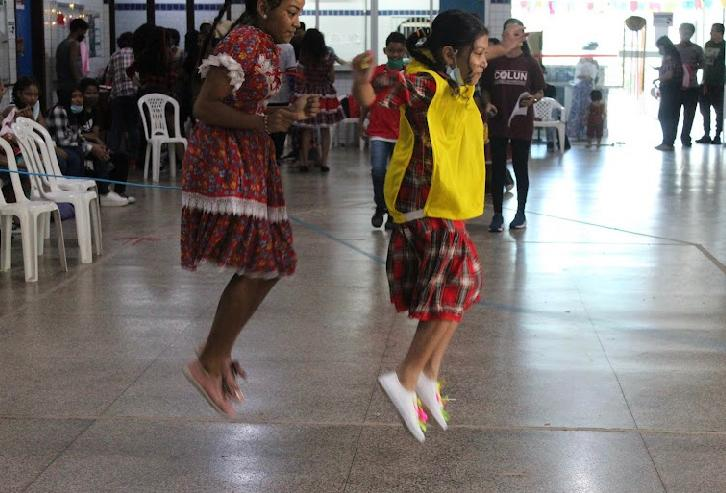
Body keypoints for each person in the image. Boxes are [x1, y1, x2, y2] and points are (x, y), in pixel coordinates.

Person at [352, 10, 489, 443]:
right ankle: (405, 377)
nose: (483, 61)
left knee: (463, 287)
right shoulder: (425, 81)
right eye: (479, 53)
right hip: (423, 200)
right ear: (451, 52)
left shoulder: (452, 80)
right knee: (456, 285)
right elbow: (378, 95)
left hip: (442, 201)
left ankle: (429, 375)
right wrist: (360, 78)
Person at [181, 0, 319, 418]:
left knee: (272, 262)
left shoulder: (262, 43)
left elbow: (247, 105)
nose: (297, 22)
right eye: (291, 12)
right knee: (262, 262)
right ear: (263, 7)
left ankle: (217, 350)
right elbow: (204, 107)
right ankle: (208, 360)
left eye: (299, 13)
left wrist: (284, 114)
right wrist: (263, 123)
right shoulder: (243, 41)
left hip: (249, 157)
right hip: (225, 162)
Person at [481, 18, 545, 232]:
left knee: (520, 168)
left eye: (517, 33)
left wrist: (533, 99)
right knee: (498, 169)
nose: (512, 36)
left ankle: (520, 213)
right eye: (509, 32)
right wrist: (488, 103)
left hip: (521, 124)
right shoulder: (494, 61)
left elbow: (540, 91)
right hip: (498, 122)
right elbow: (486, 88)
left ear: (522, 37)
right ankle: (497, 215)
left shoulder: (530, 63)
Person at [46, 80, 131, 206]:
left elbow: (77, 136)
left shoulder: (75, 112)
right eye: (74, 96)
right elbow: (65, 140)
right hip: (60, 147)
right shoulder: (60, 110)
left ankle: (105, 192)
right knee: (76, 156)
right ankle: (76, 197)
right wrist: (91, 147)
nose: (78, 100)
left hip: (74, 146)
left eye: (80, 96)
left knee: (109, 154)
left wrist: (95, 146)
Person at [360, 31, 407, 230]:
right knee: (378, 171)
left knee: (398, 176)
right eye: (391, 51)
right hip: (378, 130)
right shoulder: (376, 73)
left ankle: (394, 213)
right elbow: (366, 99)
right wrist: (361, 122)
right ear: (385, 51)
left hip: (403, 134)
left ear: (405, 51)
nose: (395, 55)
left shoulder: (411, 73)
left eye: (399, 51)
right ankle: (381, 208)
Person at [293, 28, 344, 172]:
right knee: (325, 128)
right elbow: (332, 78)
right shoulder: (328, 55)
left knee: (306, 129)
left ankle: (304, 161)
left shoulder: (304, 55)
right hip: (325, 94)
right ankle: (324, 162)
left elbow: (300, 76)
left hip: (308, 93)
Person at [106, 32, 140, 161]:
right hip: (133, 94)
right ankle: (134, 156)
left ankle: (112, 154)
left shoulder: (115, 55)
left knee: (116, 126)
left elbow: (109, 76)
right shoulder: (135, 54)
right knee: (133, 126)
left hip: (118, 95)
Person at [267, 42, 298, 161]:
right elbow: (291, 73)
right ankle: (277, 157)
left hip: (264, 94)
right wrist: (292, 93)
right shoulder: (288, 48)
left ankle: (268, 156)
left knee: (266, 126)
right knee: (280, 127)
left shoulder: (262, 44)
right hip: (282, 94)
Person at [676, 23, 705, 147]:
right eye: (683, 31)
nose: (685, 33)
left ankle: (685, 137)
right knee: (673, 115)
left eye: (688, 31)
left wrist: (694, 67)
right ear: (679, 31)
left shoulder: (697, 49)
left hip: (692, 87)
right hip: (675, 87)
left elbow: (704, 65)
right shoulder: (674, 48)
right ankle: (670, 138)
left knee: (689, 115)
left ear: (692, 34)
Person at [696, 23, 725, 145]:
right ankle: (706, 134)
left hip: (720, 82)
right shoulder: (708, 44)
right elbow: (708, 63)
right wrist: (704, 80)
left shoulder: (724, 46)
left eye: (714, 31)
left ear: (720, 33)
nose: (711, 33)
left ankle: (718, 135)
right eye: (711, 31)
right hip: (707, 81)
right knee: (704, 109)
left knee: (720, 110)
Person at [655, 36, 683, 152]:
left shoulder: (669, 57)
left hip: (669, 89)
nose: (659, 50)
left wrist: (658, 78)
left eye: (660, 47)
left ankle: (667, 141)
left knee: (664, 115)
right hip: (676, 89)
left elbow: (669, 74)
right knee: (673, 116)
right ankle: (669, 141)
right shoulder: (676, 55)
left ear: (664, 46)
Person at [56, 19, 89, 104]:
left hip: (62, 86)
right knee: (75, 112)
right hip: (71, 86)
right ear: (79, 30)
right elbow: (73, 63)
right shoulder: (74, 44)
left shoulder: (62, 44)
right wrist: (79, 82)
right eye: (83, 32)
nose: (84, 35)